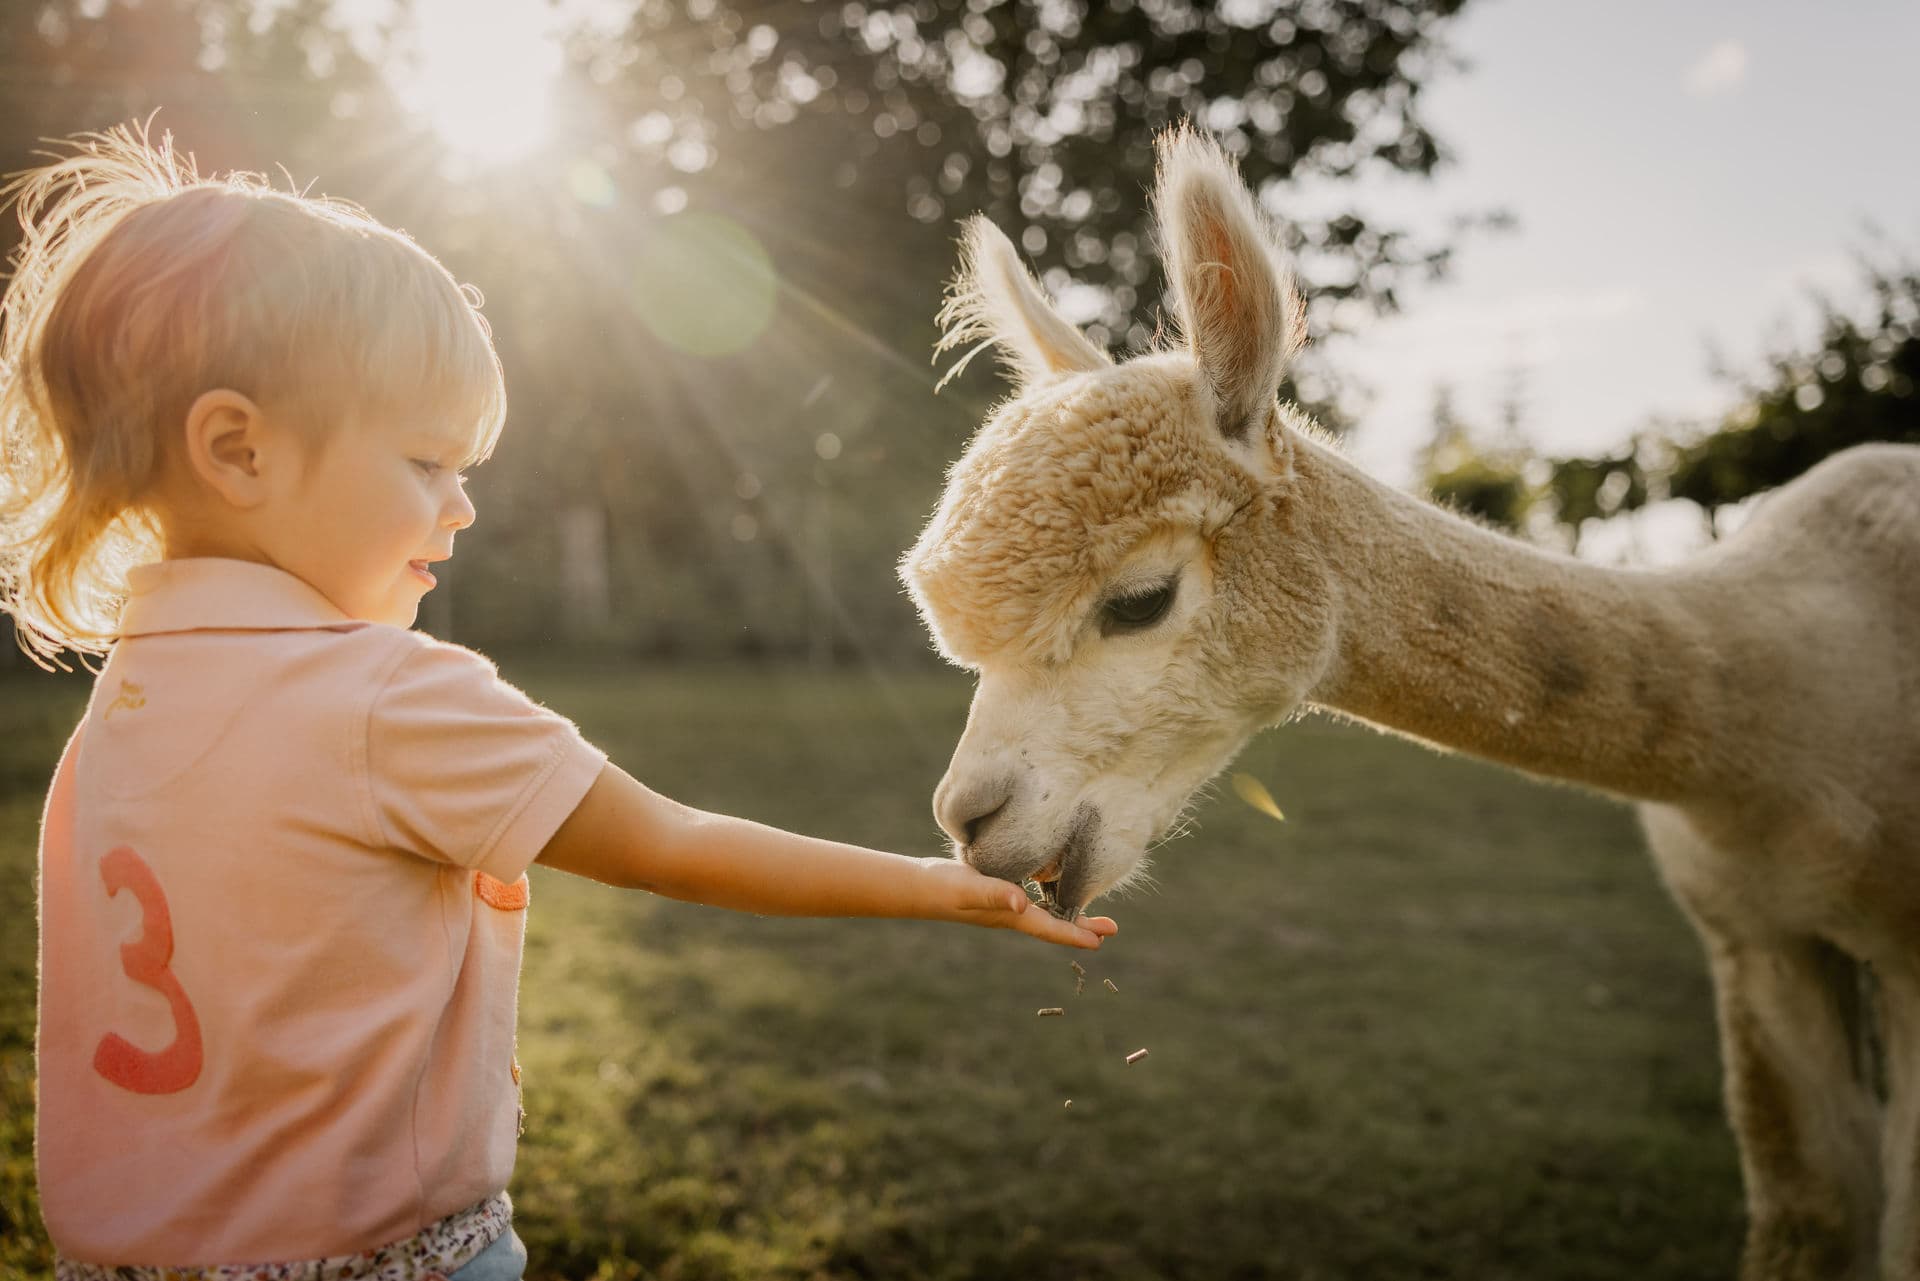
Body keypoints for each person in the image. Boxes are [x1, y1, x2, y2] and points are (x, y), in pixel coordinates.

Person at [0, 123, 1115, 1281]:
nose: (461, 510)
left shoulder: (127, 700)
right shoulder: (387, 696)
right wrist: (947, 893)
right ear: (239, 450)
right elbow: (672, 845)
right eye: (428, 463)